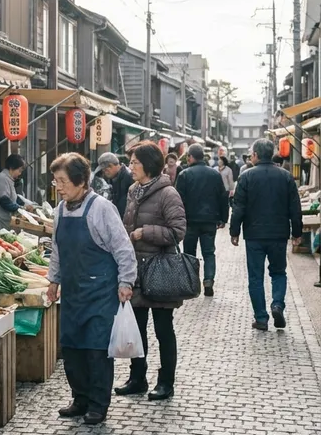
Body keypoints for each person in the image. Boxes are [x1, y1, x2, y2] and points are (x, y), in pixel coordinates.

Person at [47, 153, 137, 425]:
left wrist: (126, 281)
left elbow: (123, 247)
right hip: (73, 293)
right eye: (56, 181)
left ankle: (98, 404)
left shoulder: (101, 209)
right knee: (71, 348)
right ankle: (80, 398)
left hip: (100, 292)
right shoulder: (59, 211)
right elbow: (57, 250)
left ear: (81, 181)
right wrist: (53, 280)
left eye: (63, 181)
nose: (58, 187)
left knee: (96, 350)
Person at [118, 141, 187, 401]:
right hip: (136, 270)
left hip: (160, 271)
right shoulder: (133, 190)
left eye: (135, 162)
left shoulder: (168, 193)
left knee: (163, 330)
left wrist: (144, 233)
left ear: (148, 165)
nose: (131, 167)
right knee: (136, 328)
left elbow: (178, 231)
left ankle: (166, 382)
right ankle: (138, 378)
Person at [230, 138, 302, 331]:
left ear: (255, 155)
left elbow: (238, 207)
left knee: (255, 277)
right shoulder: (286, 176)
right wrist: (297, 232)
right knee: (278, 272)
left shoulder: (246, 176)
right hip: (279, 234)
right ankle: (277, 304)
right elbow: (295, 208)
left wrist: (234, 231)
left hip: (254, 235)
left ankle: (261, 318)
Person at [175, 144, 229, 296]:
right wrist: (223, 218)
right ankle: (208, 280)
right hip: (209, 220)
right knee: (209, 252)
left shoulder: (184, 175)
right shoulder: (215, 174)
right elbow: (222, 197)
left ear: (191, 157)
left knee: (189, 252)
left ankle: (192, 283)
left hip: (190, 220)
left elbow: (178, 200)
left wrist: (177, 220)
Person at [0, 154, 35, 232]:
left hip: (2, 217)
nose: (20, 173)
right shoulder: (3, 179)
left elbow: (13, 198)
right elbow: (5, 201)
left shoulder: (8, 179)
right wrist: (22, 209)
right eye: (19, 170)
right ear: (11, 168)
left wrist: (25, 204)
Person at [97, 152, 134, 219]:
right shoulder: (111, 178)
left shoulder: (129, 178)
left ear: (111, 165)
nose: (104, 172)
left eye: (105, 169)